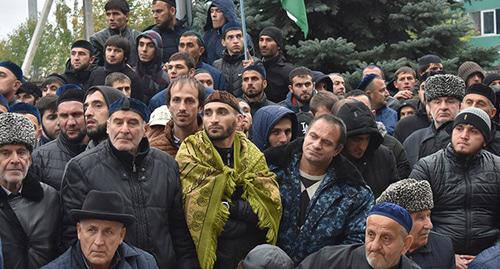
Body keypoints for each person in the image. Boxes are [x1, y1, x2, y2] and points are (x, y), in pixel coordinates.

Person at [61, 97, 199, 269]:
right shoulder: (81, 168)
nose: (124, 129)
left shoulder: (167, 165)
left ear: (145, 129)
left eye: (132, 123)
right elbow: (71, 235)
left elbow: (179, 230)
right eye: (118, 122)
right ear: (108, 126)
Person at [176, 91, 282, 269]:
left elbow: (269, 205)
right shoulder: (190, 153)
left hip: (248, 256)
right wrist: (242, 216)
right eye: (208, 113)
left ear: (239, 120)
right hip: (202, 257)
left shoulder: (253, 155)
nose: (214, 119)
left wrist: (228, 207)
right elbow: (191, 210)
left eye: (222, 112)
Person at [265, 114, 374, 263]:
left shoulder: (355, 193)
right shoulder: (272, 173)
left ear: (337, 150)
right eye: (313, 136)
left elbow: (354, 244)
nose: (316, 145)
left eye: (326, 142)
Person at [410, 107, 500, 266]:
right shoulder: (428, 167)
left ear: (485, 140)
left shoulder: (497, 167)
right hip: (437, 252)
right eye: (459, 129)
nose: (464, 136)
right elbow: (412, 218)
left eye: (473, 131)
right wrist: (447, 255)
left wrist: (488, 258)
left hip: (490, 255)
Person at [0, 112, 60, 269]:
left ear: (30, 158)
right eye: (5, 152)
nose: (15, 160)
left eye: (21, 152)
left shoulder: (50, 197)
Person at [42, 190, 158, 269]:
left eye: (108, 232)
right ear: (79, 231)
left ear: (121, 235)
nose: (99, 242)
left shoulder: (145, 264)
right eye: (92, 230)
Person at [297, 202, 420, 269]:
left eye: (386, 238)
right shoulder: (328, 261)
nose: (374, 246)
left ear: (406, 244)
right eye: (371, 234)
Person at [377, 179, 455, 268]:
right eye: (420, 218)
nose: (429, 225)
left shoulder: (444, 247)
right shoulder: (374, 252)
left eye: (428, 215)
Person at [333, 99, 399, 197]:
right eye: (356, 139)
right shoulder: (330, 159)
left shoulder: (384, 156)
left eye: (367, 139)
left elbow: (396, 197)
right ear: (344, 139)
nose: (362, 146)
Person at [403, 74, 464, 167]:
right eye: (437, 102)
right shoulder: (413, 141)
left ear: (460, 106)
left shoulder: (467, 140)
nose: (443, 107)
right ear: (428, 106)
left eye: (450, 101)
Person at [32, 89, 87, 190]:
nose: (71, 122)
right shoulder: (39, 157)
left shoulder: (104, 152)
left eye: (77, 114)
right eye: (64, 116)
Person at [147, 76, 204, 156]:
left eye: (189, 101)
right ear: (168, 106)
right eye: (176, 100)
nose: (182, 108)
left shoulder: (211, 146)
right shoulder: (154, 150)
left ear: (200, 107)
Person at [86, 35, 145, 101]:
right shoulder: (95, 74)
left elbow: (138, 104)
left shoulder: (132, 77)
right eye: (109, 50)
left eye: (117, 51)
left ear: (125, 54)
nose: (112, 54)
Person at [394, 71, 443, 143]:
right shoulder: (404, 125)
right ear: (419, 92)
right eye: (423, 88)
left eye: (433, 87)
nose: (428, 91)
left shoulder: (454, 122)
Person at [89, 0, 140, 66]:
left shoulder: (138, 38)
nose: (111, 18)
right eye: (108, 14)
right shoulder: (97, 39)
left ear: (126, 16)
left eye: (116, 14)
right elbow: (95, 68)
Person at [213, 22, 257, 97]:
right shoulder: (217, 65)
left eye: (239, 36)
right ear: (223, 42)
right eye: (230, 37)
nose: (235, 41)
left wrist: (253, 69)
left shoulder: (254, 62)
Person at [461, 83, 500, 156]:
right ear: (461, 107)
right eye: (469, 102)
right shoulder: (447, 135)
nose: (473, 107)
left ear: (492, 112)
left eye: (480, 104)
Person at [259, 26, 294, 103]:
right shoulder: (256, 68)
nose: (263, 44)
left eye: (268, 40)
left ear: (278, 45)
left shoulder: (288, 71)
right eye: (261, 40)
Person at [135, 30, 169, 101]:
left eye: (150, 46)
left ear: (157, 49)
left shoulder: (164, 80)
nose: (144, 49)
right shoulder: (130, 75)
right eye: (141, 44)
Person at [203, 0, 239, 65]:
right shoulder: (208, 37)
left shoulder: (241, 36)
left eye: (218, 11)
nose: (213, 15)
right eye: (212, 11)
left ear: (227, 13)